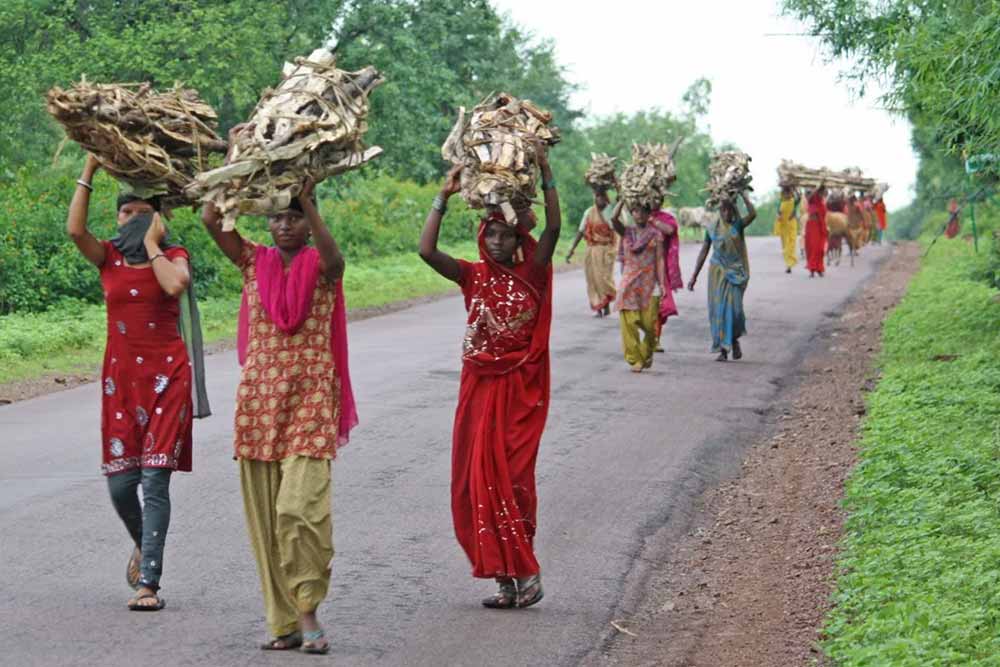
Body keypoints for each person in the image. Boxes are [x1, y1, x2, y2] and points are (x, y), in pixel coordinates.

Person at [201, 174, 357, 654]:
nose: (284, 226)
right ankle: (283, 620)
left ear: (309, 223)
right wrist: (233, 167)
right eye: (277, 217)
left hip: (310, 399)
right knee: (267, 519)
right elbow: (211, 217)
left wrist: (309, 201)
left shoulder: (322, 264)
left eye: (294, 217)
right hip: (260, 406)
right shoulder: (253, 261)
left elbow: (336, 260)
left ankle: (308, 608)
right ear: (265, 222)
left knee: (299, 509)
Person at [418, 139, 560, 610]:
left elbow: (555, 226)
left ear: (520, 239)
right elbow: (425, 250)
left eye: (506, 235)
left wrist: (546, 172)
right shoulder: (472, 275)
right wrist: (443, 194)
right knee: (477, 480)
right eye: (491, 234)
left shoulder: (534, 274)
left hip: (520, 390)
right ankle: (503, 578)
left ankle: (527, 569)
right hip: (478, 390)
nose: (498, 242)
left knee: (514, 479)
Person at [67, 154, 203, 612]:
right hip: (122, 382)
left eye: (141, 214)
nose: (130, 220)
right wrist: (89, 171)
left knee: (154, 481)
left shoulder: (174, 255)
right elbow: (74, 232)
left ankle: (149, 584)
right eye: (125, 212)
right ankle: (143, 543)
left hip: (168, 378)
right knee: (121, 486)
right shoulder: (107, 256)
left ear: (158, 219)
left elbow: (173, 286)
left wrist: (153, 242)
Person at [687, 191, 757, 361]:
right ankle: (723, 349)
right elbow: (704, 251)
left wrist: (743, 196)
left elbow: (753, 214)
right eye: (723, 210)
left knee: (736, 311)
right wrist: (694, 276)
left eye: (730, 210)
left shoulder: (737, 226)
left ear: (733, 210)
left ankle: (733, 339)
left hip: (735, 273)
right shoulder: (712, 227)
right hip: (717, 273)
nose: (726, 213)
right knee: (719, 311)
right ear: (719, 210)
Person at [610, 202, 666, 372]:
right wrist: (622, 200)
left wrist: (662, 283)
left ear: (649, 213)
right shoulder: (626, 232)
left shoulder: (655, 234)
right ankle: (635, 359)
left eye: (643, 211)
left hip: (650, 283)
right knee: (629, 323)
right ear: (631, 213)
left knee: (650, 326)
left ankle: (645, 354)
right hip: (630, 283)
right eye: (635, 211)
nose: (639, 214)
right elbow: (613, 218)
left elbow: (659, 259)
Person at [566, 189, 616, 317]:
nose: (599, 199)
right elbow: (581, 231)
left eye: (601, 196)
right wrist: (571, 250)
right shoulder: (589, 212)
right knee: (593, 279)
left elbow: (617, 229)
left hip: (607, 250)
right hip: (592, 250)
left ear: (606, 198)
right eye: (597, 196)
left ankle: (607, 306)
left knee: (604, 278)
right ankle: (598, 306)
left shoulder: (611, 212)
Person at [647, 205, 682, 352]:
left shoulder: (666, 219)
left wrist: (653, 221)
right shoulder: (639, 217)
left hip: (661, 268)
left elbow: (670, 230)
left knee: (660, 307)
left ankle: (655, 340)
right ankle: (648, 338)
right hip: (641, 269)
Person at [773, 185, 799, 273]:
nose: (787, 195)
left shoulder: (794, 202)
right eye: (785, 193)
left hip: (792, 227)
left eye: (789, 193)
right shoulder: (781, 203)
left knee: (791, 245)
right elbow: (778, 214)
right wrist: (779, 216)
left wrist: (795, 189)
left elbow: (799, 197)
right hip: (784, 228)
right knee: (785, 247)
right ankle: (788, 264)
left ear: (791, 194)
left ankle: (789, 265)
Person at [804, 183, 828, 277]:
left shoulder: (821, 203)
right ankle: (812, 269)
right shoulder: (812, 201)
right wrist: (818, 187)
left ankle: (819, 268)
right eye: (821, 193)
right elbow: (811, 196)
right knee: (813, 248)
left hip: (820, 227)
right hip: (812, 227)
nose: (822, 195)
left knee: (821, 249)